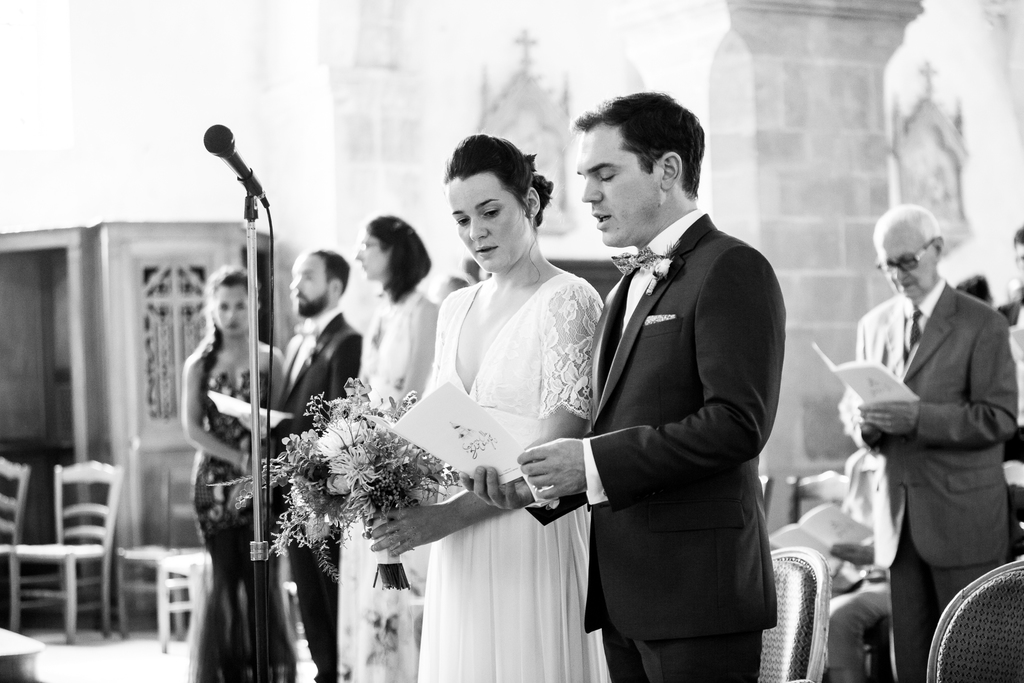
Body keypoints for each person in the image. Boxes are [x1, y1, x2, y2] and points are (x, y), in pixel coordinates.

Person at [470, 92, 786, 682]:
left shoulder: (731, 268)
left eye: (605, 174)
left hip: (698, 596)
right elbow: (610, 428)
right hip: (622, 591)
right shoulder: (620, 291)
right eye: (585, 176)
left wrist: (588, 463)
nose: (587, 194)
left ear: (667, 171)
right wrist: (534, 489)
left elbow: (737, 425)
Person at [369, 134, 608, 682]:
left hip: (531, 540)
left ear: (530, 204)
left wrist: (439, 519)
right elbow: (437, 428)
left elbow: (554, 464)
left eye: (489, 211)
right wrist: (369, 472)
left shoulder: (569, 300)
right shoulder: (455, 307)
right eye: (460, 218)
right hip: (458, 547)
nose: (474, 232)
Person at [847, 204, 1016, 683]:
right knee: (912, 668)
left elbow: (1000, 418)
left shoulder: (982, 324)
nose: (898, 276)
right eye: (887, 266)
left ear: (937, 249)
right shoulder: (872, 325)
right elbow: (855, 414)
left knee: (976, 665)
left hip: (964, 520)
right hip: (898, 526)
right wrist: (868, 424)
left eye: (907, 261)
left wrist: (918, 417)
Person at [180, 265, 297, 683]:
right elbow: (192, 429)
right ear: (211, 308)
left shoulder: (271, 359)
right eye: (224, 306)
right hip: (213, 484)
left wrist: (260, 455)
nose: (232, 315)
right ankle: (227, 673)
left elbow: (285, 419)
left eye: (241, 305)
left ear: (256, 305)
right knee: (226, 580)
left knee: (261, 582)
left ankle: (265, 671)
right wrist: (235, 456)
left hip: (262, 483)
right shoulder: (198, 364)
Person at [337, 215, 438, 683]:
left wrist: (383, 453)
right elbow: (364, 388)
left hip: (401, 461)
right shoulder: (382, 313)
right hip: (369, 459)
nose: (359, 254)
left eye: (367, 245)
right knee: (370, 576)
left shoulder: (425, 310)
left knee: (400, 579)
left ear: (395, 251)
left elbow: (417, 393)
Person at [278, 250, 362, 683]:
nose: (296, 285)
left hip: (321, 494)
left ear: (333, 286)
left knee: (326, 593)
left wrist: (323, 494)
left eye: (306, 277)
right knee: (307, 595)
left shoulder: (346, 341)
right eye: (295, 277)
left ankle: (334, 673)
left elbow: (338, 422)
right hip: (292, 491)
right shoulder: (297, 343)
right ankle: (322, 670)